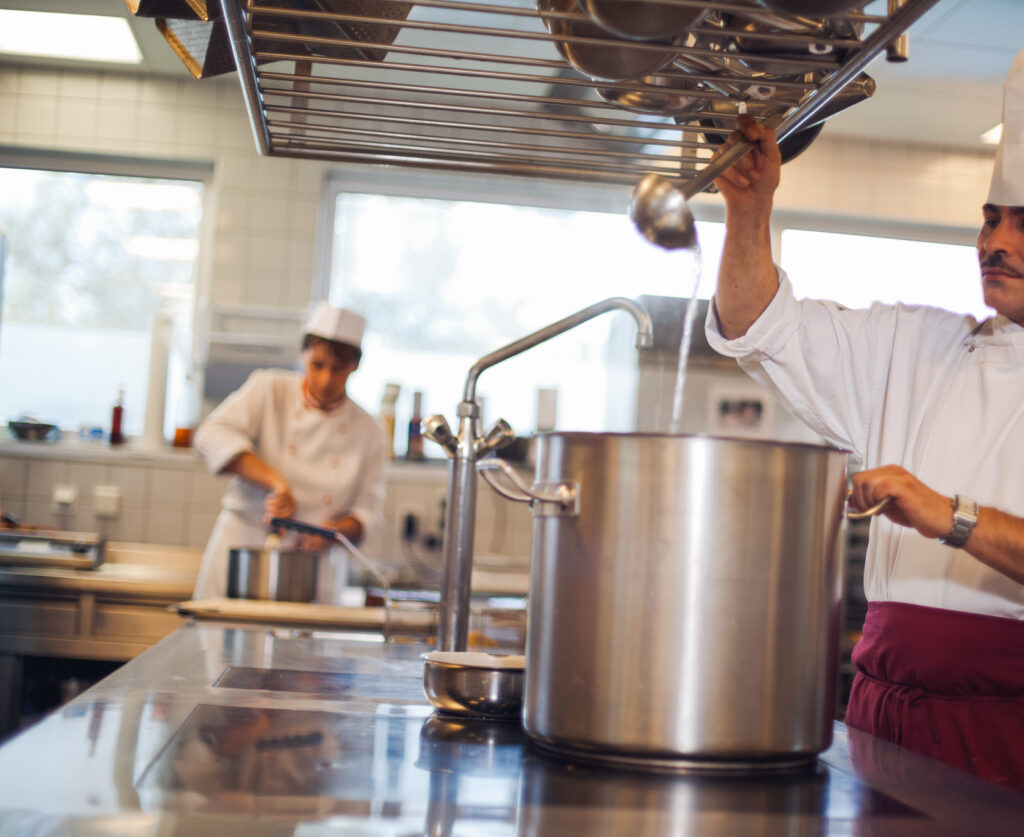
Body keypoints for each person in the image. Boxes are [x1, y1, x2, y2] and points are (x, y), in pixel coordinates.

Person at [703, 51, 1024, 793]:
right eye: (989, 220)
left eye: (1022, 224)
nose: (994, 243)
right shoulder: (918, 346)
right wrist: (750, 212)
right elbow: (758, 322)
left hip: (1006, 731)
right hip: (883, 717)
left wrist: (949, 514)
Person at [192, 302, 386, 601]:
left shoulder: (369, 429)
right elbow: (211, 435)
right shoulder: (268, 389)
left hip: (314, 567)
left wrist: (332, 533)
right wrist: (274, 482)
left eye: (338, 370)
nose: (325, 380)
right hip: (246, 548)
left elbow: (367, 510)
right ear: (303, 355)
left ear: (355, 366)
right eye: (317, 365)